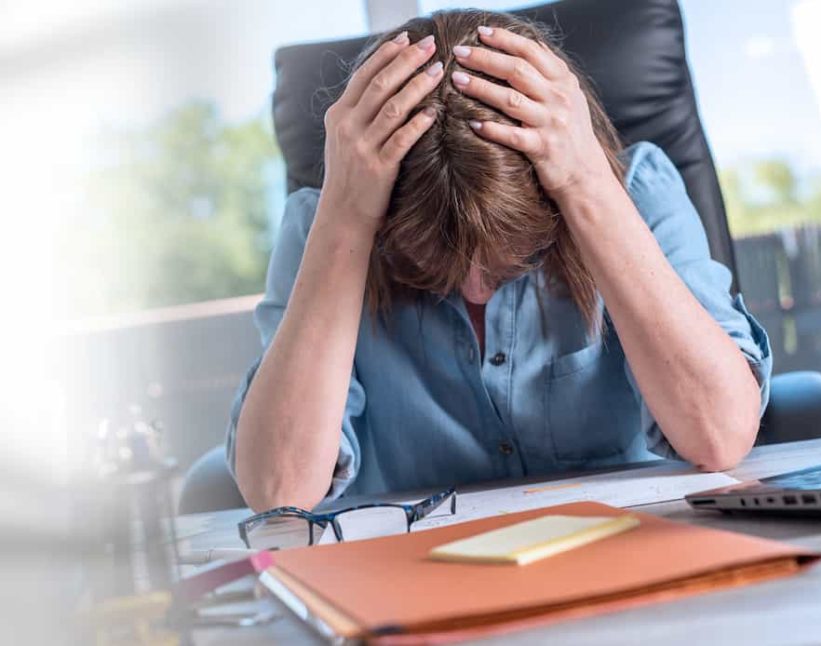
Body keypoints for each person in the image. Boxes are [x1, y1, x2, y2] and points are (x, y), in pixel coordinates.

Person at [227, 10, 773, 513]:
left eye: (512, 257)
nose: (477, 287)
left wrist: (586, 185)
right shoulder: (323, 229)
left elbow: (718, 436)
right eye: (433, 264)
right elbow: (280, 490)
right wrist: (345, 216)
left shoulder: (637, 193)